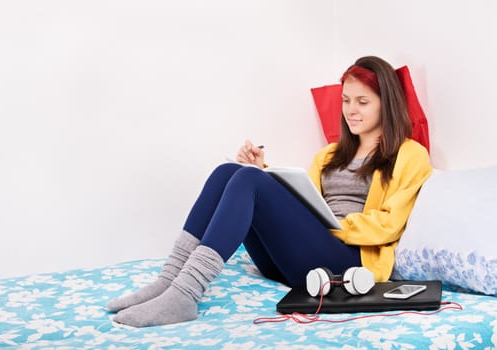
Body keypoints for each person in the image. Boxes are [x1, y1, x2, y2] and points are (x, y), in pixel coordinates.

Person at [107, 55, 433, 327]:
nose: (351, 110)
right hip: (299, 262)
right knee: (231, 172)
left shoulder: (409, 155)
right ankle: (170, 282)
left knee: (249, 182)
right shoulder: (329, 155)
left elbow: (390, 224)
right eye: (346, 100)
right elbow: (307, 203)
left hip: (347, 264)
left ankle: (185, 295)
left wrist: (332, 227)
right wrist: (267, 176)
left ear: (386, 105)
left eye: (363, 102)